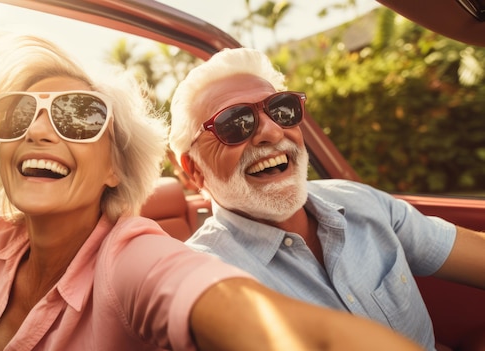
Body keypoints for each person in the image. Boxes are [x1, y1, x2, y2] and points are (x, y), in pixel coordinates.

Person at [0, 34, 424, 351]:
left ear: (115, 165)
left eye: (79, 117)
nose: (39, 133)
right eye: (17, 114)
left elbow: (278, 329)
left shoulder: (133, 259)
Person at [168, 47, 485, 351]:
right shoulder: (204, 278)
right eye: (235, 124)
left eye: (282, 110)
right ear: (194, 170)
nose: (273, 132)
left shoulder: (362, 202)